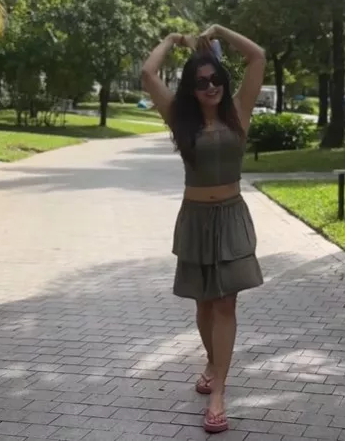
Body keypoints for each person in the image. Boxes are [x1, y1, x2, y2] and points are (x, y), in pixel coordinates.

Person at [141, 25, 266, 434]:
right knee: (204, 304)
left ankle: (218, 394)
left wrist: (220, 33)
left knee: (226, 303)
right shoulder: (180, 119)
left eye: (215, 79)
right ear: (191, 89)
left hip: (231, 217)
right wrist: (172, 41)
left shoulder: (239, 111)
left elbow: (258, 56)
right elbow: (148, 74)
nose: (210, 86)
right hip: (195, 219)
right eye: (200, 82)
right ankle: (212, 362)